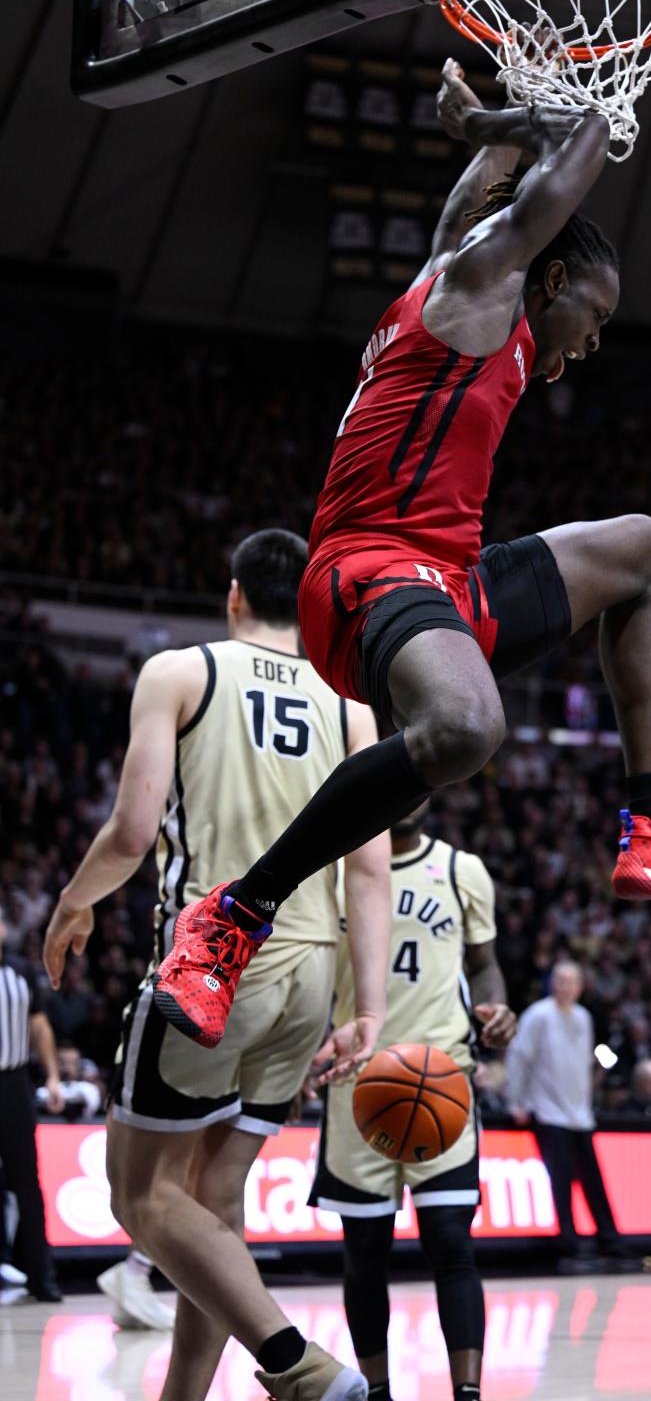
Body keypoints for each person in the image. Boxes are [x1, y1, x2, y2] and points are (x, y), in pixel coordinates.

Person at [152, 60, 651, 1051]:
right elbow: (572, 156)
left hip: (447, 574)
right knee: (472, 724)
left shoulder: (460, 270)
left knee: (646, 552)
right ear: (554, 278)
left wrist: (497, 125)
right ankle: (234, 914)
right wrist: (512, 116)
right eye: (595, 317)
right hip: (364, 571)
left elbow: (481, 191)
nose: (593, 342)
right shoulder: (486, 282)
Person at [44, 529, 389, 1401]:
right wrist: (370, 1009)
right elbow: (373, 867)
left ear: (234, 595)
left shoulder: (180, 671)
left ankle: (295, 1366)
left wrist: (74, 900)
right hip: (312, 972)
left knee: (143, 1197)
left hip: (219, 965)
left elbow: (130, 832)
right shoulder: (351, 705)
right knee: (214, 1199)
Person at [310, 802, 515, 1401]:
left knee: (452, 1241)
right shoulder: (334, 870)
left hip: (441, 1078)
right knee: (364, 1251)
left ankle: (468, 1392)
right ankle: (377, 1392)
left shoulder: (460, 870)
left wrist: (496, 1007)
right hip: (358, 1083)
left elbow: (486, 966)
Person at [506, 961, 625, 1268]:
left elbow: (585, 1063)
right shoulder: (538, 1015)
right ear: (551, 984)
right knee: (559, 1181)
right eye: (561, 980)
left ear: (581, 987)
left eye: (572, 981)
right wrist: (516, 1102)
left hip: (580, 1114)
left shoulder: (584, 1018)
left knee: (593, 1181)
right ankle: (567, 1244)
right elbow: (519, 1057)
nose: (566, 986)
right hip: (548, 1111)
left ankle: (610, 1240)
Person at [0, 906, 62, 1301]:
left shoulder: (21, 970)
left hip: (13, 1082)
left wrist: (54, 1075)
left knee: (28, 1182)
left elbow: (38, 1025)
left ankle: (41, 1278)